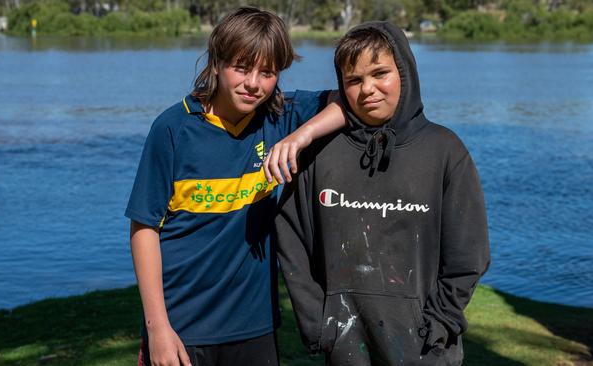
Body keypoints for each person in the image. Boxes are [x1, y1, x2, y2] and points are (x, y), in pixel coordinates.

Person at [125, 7, 344, 366]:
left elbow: (347, 102)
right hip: (182, 326)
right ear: (216, 63)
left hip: (254, 326)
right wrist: (158, 328)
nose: (253, 84)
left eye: (268, 72)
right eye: (241, 67)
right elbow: (144, 226)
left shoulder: (279, 117)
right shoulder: (173, 129)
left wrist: (300, 137)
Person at [274, 21, 490, 365]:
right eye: (354, 81)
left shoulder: (444, 151)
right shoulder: (321, 154)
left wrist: (440, 322)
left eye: (380, 73)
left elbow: (469, 255)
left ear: (404, 72)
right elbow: (291, 238)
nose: (368, 89)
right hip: (345, 344)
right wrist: (318, 323)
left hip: (425, 349)